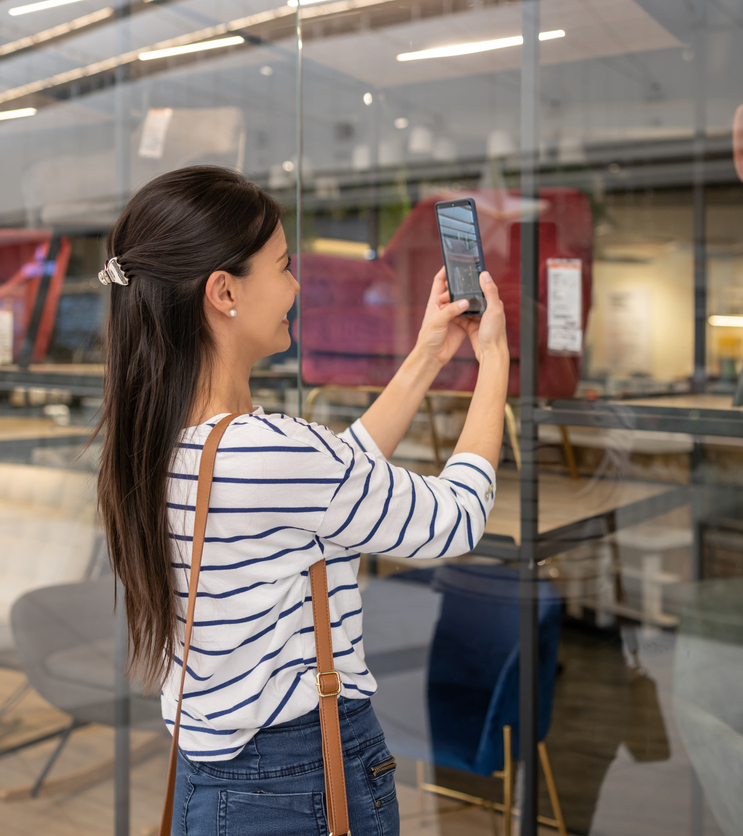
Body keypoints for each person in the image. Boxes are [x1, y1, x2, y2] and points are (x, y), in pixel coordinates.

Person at [95, 166, 509, 834]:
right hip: (301, 779)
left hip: (212, 780)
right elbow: (454, 520)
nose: (296, 285)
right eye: (284, 266)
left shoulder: (159, 439)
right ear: (223, 291)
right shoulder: (269, 452)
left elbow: (331, 482)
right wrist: (494, 367)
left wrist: (430, 352)